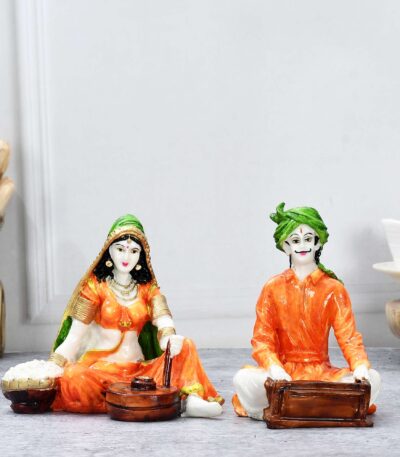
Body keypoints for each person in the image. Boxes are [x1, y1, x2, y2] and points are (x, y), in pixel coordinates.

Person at [44, 214, 223, 416]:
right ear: (108, 250)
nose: (126, 257)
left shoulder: (148, 289)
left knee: (186, 345)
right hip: (102, 373)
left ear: (141, 256)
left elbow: (164, 321)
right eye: (120, 249)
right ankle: (129, 403)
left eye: (134, 251)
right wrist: (52, 365)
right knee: (73, 376)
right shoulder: (94, 288)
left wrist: (168, 339)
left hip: (141, 375)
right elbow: (74, 338)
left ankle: (191, 400)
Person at [232, 202, 381, 420]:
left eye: (308, 239)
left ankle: (289, 407)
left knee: (372, 379)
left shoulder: (334, 289)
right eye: (295, 240)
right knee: (243, 379)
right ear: (285, 246)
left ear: (318, 242)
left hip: (322, 375)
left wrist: (359, 365)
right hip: (284, 375)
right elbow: (262, 340)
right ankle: (321, 407)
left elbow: (348, 337)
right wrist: (274, 368)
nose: (302, 245)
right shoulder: (273, 288)